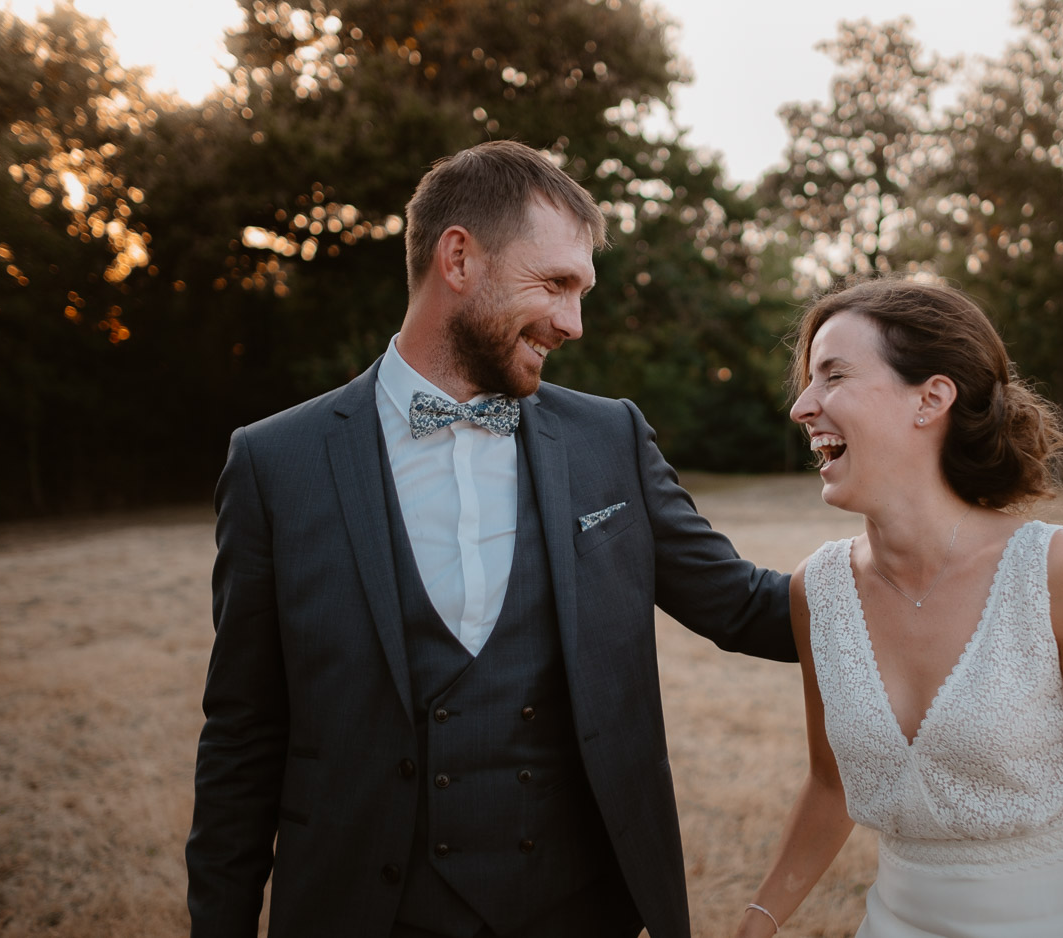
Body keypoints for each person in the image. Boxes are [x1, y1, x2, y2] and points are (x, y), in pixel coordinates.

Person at [185, 140, 794, 938]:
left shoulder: (608, 437)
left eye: (583, 292)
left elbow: (744, 605)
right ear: (459, 259)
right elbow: (244, 732)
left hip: (580, 914)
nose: (574, 323)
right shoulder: (276, 463)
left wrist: (926, 577)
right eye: (556, 284)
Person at [734, 279, 1063, 938]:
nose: (802, 407)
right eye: (808, 382)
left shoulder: (1058, 575)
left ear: (931, 398)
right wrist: (761, 916)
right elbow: (830, 782)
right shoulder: (818, 591)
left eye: (833, 376)